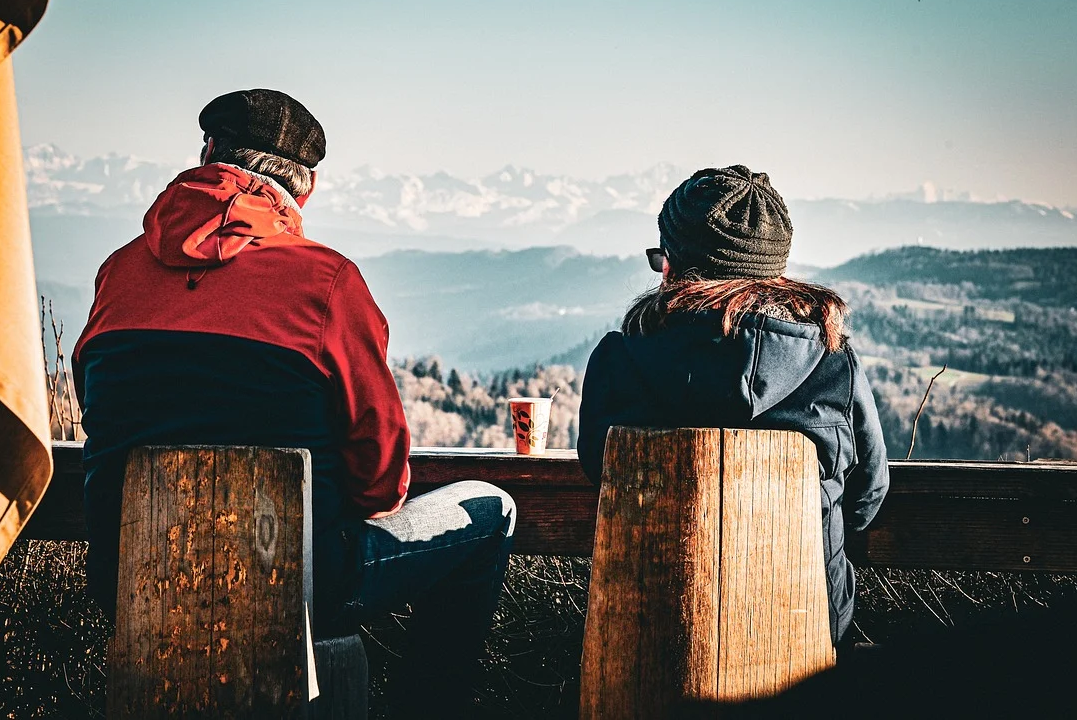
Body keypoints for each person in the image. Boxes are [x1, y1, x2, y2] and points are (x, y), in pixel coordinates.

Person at [73, 89, 515, 715]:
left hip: (130, 579)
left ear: (207, 154)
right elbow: (382, 475)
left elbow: (95, 408)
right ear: (304, 191)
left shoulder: (118, 272)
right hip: (300, 585)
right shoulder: (328, 282)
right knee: (491, 509)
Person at [577, 165, 888, 647]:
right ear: (776, 270)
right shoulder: (833, 366)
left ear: (671, 267)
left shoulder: (620, 361)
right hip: (807, 627)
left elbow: (601, 470)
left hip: (651, 632)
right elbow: (867, 496)